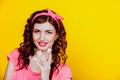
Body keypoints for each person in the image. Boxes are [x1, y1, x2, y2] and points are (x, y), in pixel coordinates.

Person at [4, 8, 72, 80]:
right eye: (37, 31)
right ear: (31, 33)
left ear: (56, 35)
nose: (42, 38)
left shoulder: (64, 72)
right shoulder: (17, 56)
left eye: (48, 32)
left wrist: (45, 78)